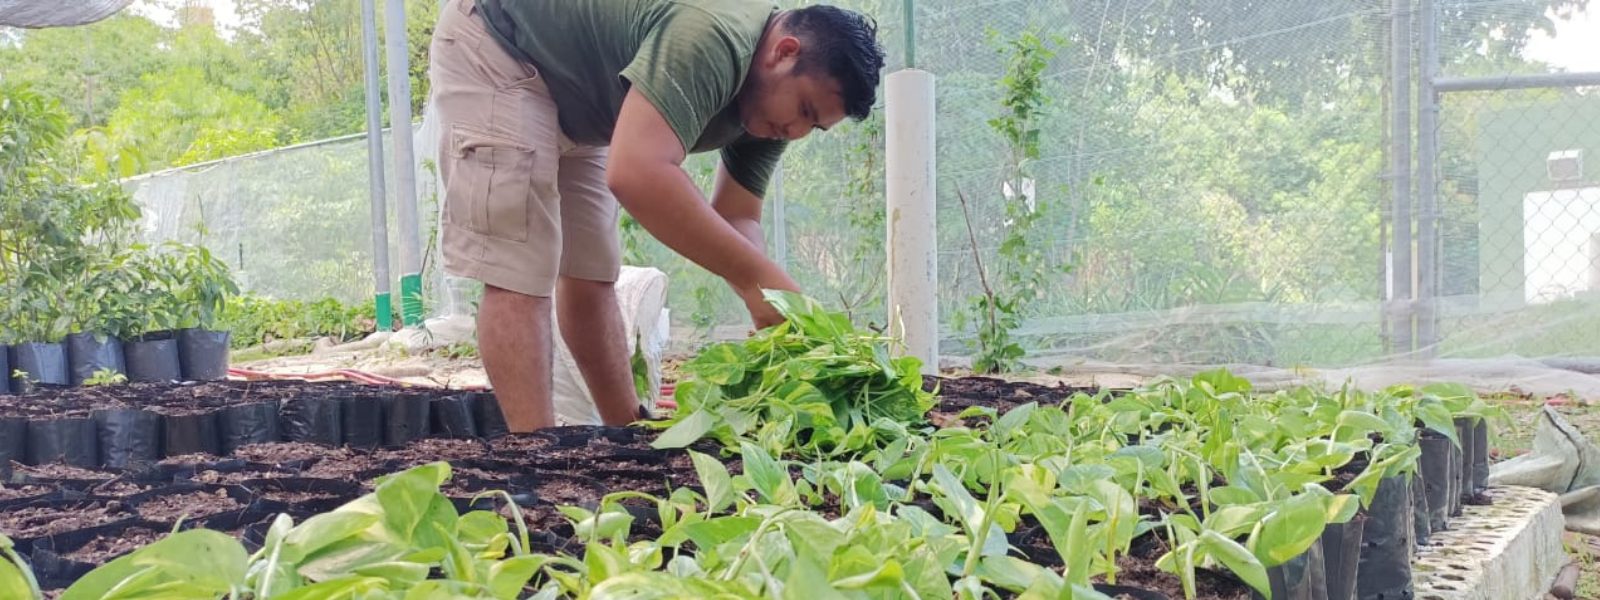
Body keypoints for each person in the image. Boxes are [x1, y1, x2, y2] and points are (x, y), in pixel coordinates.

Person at [427, 0, 886, 432]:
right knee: (519, 266)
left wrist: (770, 303)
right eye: (804, 110)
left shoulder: (772, 110)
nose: (797, 132)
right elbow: (635, 172)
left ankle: (627, 436)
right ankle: (533, 465)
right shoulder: (713, 37)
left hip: (581, 106)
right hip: (501, 49)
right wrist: (756, 280)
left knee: (591, 271)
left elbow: (738, 216)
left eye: (816, 126)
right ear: (784, 52)